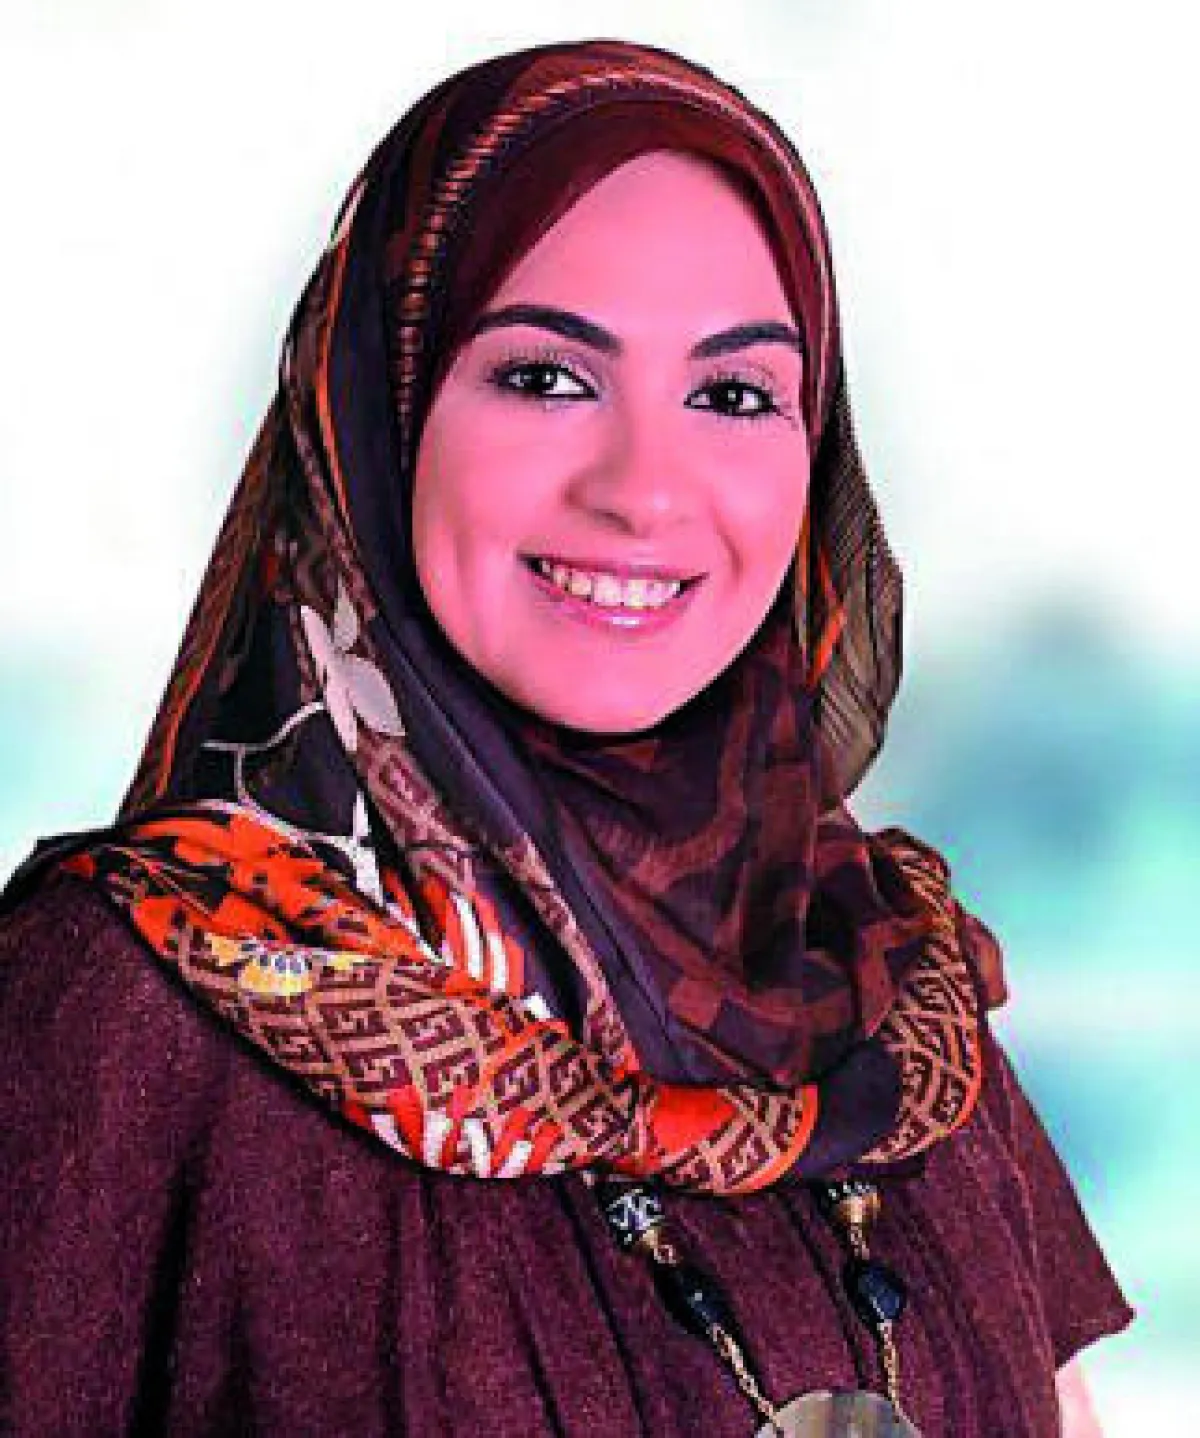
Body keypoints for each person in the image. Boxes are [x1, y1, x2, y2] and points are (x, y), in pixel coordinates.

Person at [0, 37, 1132, 1437]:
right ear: (375, 413)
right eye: (545, 377)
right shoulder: (124, 1001)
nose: (644, 491)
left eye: (733, 395)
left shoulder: (892, 989)